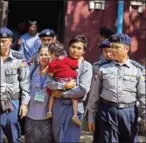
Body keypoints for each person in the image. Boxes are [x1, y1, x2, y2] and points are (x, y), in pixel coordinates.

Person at [94, 33, 145, 142]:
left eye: (116, 47)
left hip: (129, 113)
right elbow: (94, 95)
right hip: (107, 111)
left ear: (126, 49)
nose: (112, 50)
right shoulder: (103, 68)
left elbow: (143, 95)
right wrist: (90, 117)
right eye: (112, 47)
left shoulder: (137, 69)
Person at [47, 35, 93, 142]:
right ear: (68, 47)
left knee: (71, 138)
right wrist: (63, 86)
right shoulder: (58, 62)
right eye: (73, 47)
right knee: (58, 136)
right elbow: (49, 82)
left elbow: (83, 89)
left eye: (79, 48)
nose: (75, 50)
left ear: (83, 51)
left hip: (75, 107)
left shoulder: (86, 66)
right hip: (58, 105)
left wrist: (63, 94)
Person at [0, 27, 30, 143]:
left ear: (10, 41)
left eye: (3, 41)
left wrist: (24, 104)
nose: (1, 44)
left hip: (13, 102)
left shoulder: (18, 59)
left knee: (14, 134)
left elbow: (25, 82)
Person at [46, 42, 83, 127]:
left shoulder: (51, 64)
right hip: (70, 81)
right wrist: (80, 59)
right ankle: (75, 115)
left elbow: (51, 75)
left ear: (54, 53)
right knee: (74, 99)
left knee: (52, 95)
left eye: (50, 54)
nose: (49, 56)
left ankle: (49, 111)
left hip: (59, 81)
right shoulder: (67, 60)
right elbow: (76, 64)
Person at [25, 46, 54, 143]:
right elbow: (26, 89)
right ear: (38, 56)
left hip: (47, 117)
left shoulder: (54, 71)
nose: (43, 57)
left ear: (51, 56)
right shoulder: (32, 70)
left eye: (46, 54)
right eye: (41, 54)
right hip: (31, 115)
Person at [87, 39, 113, 143]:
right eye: (105, 51)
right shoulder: (97, 66)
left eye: (110, 51)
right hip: (101, 108)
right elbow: (93, 92)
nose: (108, 54)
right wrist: (91, 116)